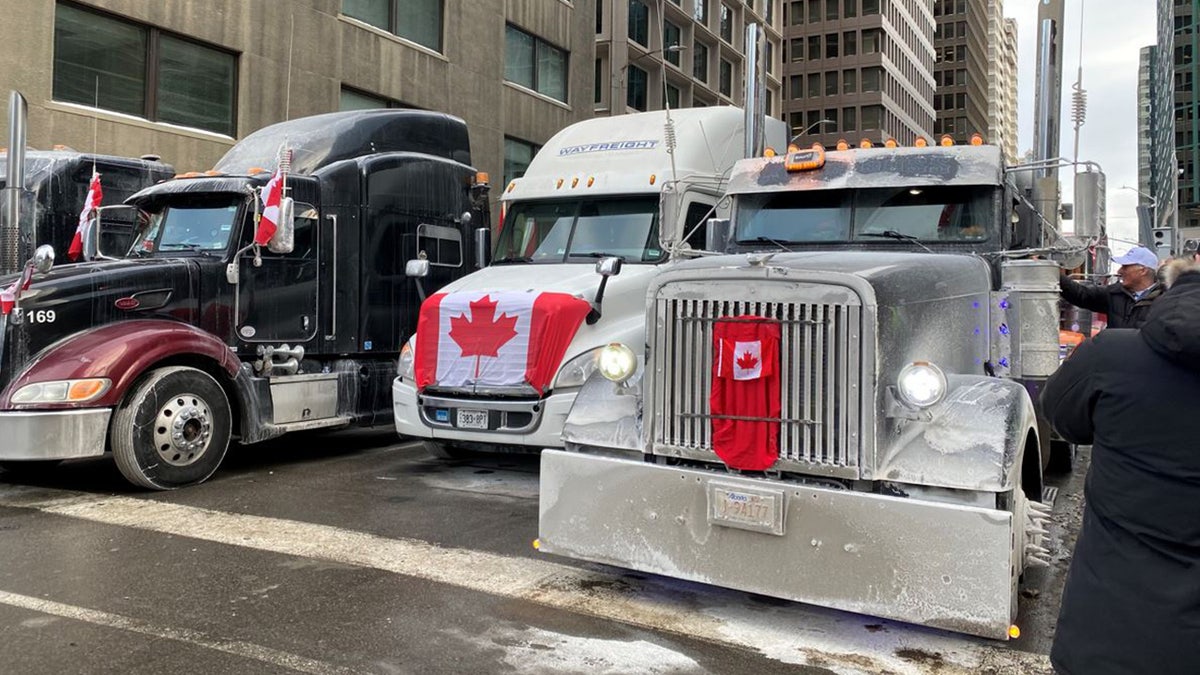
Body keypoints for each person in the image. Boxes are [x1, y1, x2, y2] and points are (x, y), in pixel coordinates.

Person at [1040, 254, 1200, 675]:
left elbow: (1063, 416)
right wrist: (1058, 275)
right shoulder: (1114, 298)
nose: (1119, 272)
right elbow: (1081, 292)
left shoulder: (1112, 354)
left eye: (1127, 267)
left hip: (1107, 637)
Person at [1058, 245, 1163, 329]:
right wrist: (1053, 273)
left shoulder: (1165, 299)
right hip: (1115, 355)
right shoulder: (1114, 293)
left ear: (1143, 270)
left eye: (1125, 266)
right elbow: (1081, 294)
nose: (1119, 271)